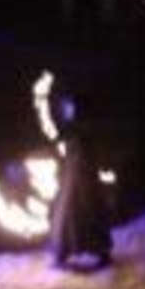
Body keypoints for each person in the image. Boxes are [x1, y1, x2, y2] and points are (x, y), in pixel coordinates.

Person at [50, 94, 113, 270]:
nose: (67, 111)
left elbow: (84, 152)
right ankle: (64, 252)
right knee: (72, 214)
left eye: (70, 108)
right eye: (66, 108)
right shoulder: (73, 130)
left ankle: (98, 251)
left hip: (82, 176)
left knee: (86, 210)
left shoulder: (82, 130)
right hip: (74, 175)